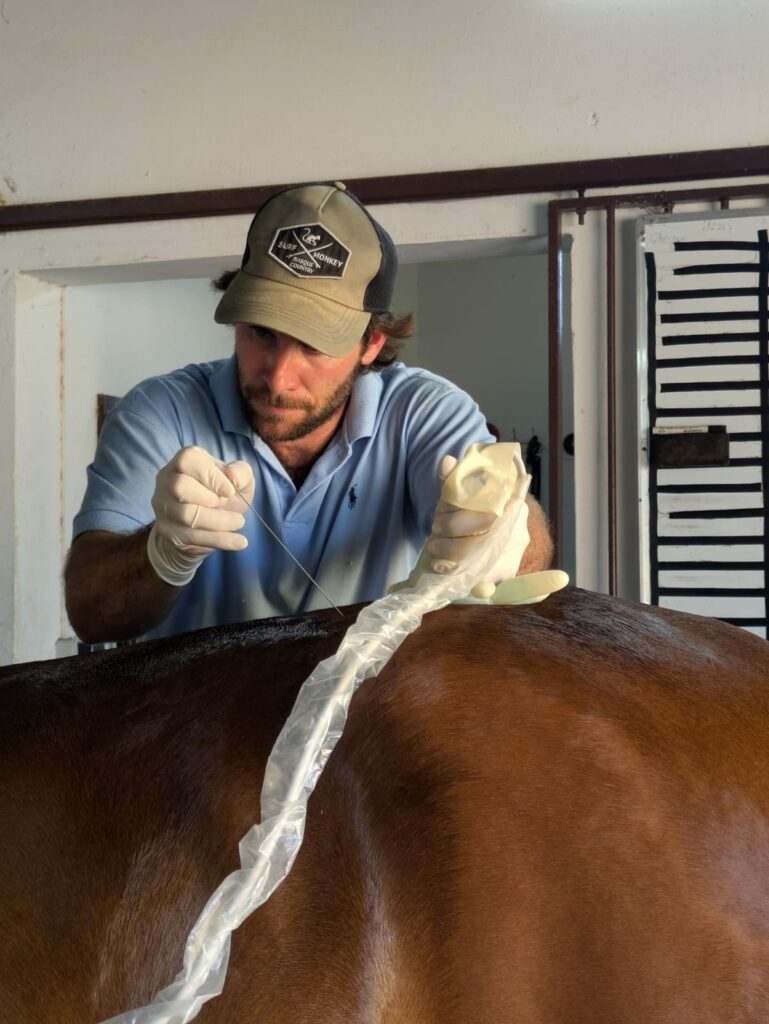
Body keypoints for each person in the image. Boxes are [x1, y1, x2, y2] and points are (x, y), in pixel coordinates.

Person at [64, 182, 554, 644]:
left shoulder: (423, 412)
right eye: (261, 333)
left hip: (367, 722)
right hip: (194, 725)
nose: (278, 378)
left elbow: (526, 550)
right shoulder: (158, 413)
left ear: (372, 343)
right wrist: (161, 553)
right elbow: (88, 615)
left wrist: (500, 531)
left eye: (315, 346)